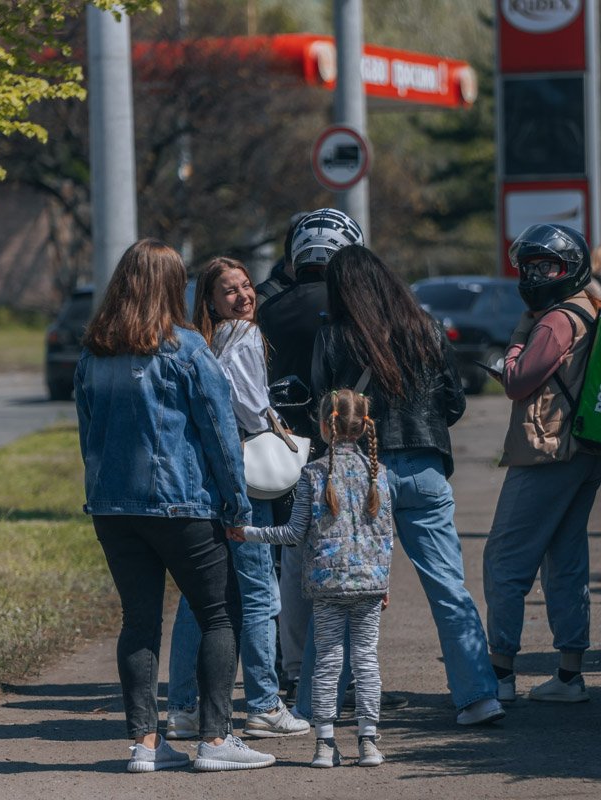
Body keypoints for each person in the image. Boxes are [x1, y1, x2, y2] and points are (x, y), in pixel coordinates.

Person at [74, 239, 273, 772]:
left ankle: (145, 744)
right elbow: (220, 434)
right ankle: (214, 738)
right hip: (183, 505)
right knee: (219, 612)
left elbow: (88, 434)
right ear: (171, 287)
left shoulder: (93, 353)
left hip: (113, 508)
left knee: (138, 622)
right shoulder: (186, 349)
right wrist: (237, 508)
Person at [313, 244, 504, 726]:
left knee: (343, 587)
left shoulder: (334, 336)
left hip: (363, 475)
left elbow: (326, 406)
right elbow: (454, 403)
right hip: (425, 470)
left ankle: (322, 706)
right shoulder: (427, 328)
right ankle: (479, 697)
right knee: (448, 586)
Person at [164, 257, 309, 740]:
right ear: (209, 299)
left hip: (204, 481)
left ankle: (182, 708)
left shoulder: (198, 345)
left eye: (247, 286)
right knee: (259, 592)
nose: (244, 296)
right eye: (230, 290)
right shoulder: (245, 337)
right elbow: (249, 407)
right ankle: (265, 703)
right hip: (248, 481)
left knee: (198, 597)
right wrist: (273, 417)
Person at [482, 224, 601, 704]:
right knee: (566, 560)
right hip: (584, 452)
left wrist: (520, 332)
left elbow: (518, 380)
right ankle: (569, 674)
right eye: (530, 266)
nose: (536, 275)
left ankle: (499, 673)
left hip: (547, 451)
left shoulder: (557, 319)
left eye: (546, 266)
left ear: (571, 267)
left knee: (505, 560)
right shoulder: (593, 307)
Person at [231, 389, 393, 769]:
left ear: (324, 426)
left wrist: (248, 532)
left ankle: (324, 744)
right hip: (370, 584)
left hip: (327, 587)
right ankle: (368, 742)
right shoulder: (380, 474)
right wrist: (384, 582)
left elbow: (291, 534)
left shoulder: (313, 475)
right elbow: (386, 534)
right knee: (366, 661)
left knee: (327, 663)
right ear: (364, 425)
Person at [255, 208, 364, 711]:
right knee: (350, 569)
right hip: (346, 451)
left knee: (290, 567)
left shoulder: (266, 308)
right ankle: (350, 677)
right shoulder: (357, 308)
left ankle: (295, 672)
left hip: (282, 454)